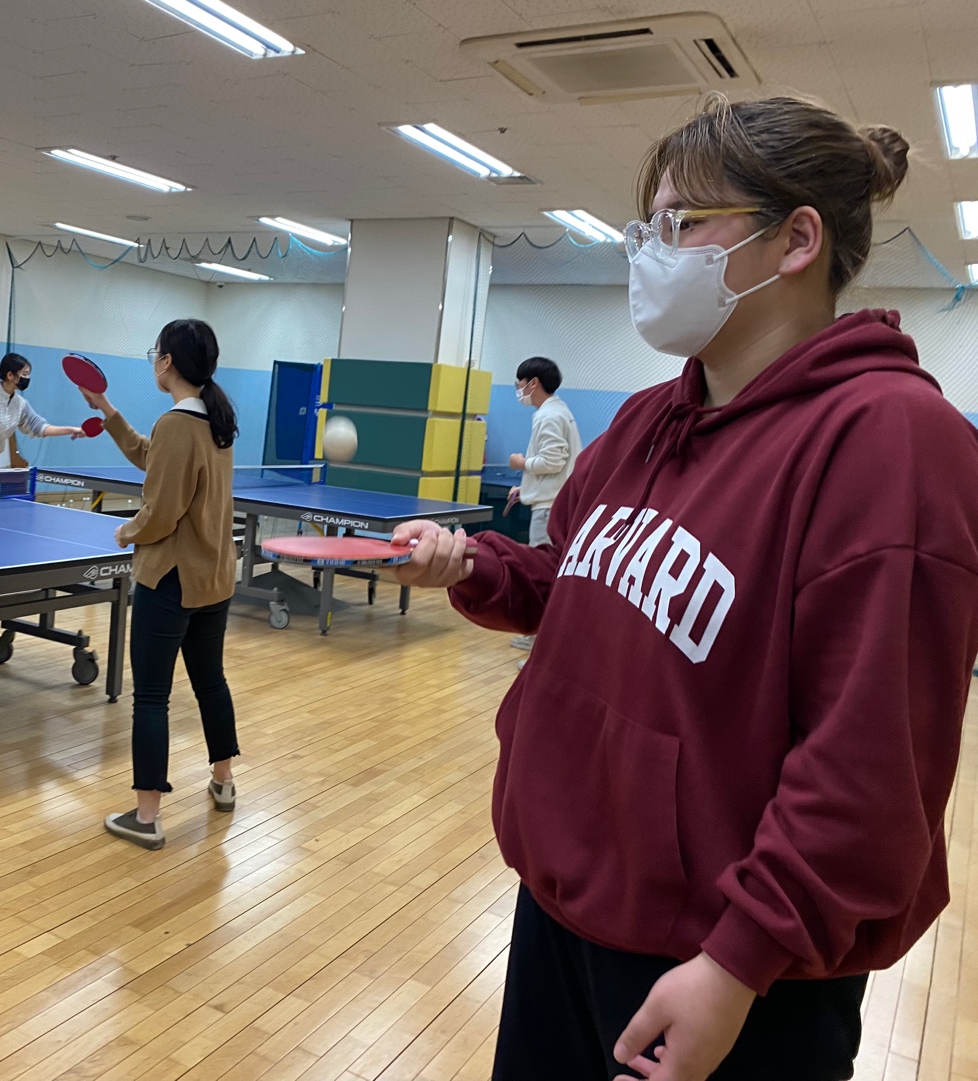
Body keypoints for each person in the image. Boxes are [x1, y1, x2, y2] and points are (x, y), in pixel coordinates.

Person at [394, 94, 978, 1081]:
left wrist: (740, 961)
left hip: (728, 968)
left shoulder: (891, 440)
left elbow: (870, 762)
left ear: (796, 240)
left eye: (680, 224)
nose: (649, 253)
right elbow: (572, 580)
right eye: (646, 227)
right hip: (565, 904)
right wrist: (473, 562)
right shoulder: (644, 421)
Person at [79, 319, 239, 850]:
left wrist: (127, 531)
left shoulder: (177, 423)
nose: (154, 361)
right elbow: (154, 458)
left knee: (151, 697)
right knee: (210, 682)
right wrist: (108, 410)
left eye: (156, 353)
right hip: (213, 578)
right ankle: (223, 781)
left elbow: (162, 511)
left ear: (167, 361)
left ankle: (146, 817)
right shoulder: (215, 420)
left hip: (170, 580)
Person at [507, 355, 581, 652]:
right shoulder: (558, 410)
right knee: (552, 570)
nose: (518, 389)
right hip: (555, 502)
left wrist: (521, 463)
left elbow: (552, 461)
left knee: (543, 572)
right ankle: (541, 636)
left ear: (533, 383)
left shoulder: (548, 415)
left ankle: (541, 640)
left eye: (520, 383)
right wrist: (524, 487)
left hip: (550, 508)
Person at [0, 353, 83, 476]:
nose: (27, 378)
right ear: (10, 375)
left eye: (28, 375)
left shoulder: (20, 404)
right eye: (24, 374)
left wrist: (71, 429)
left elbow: (40, 428)